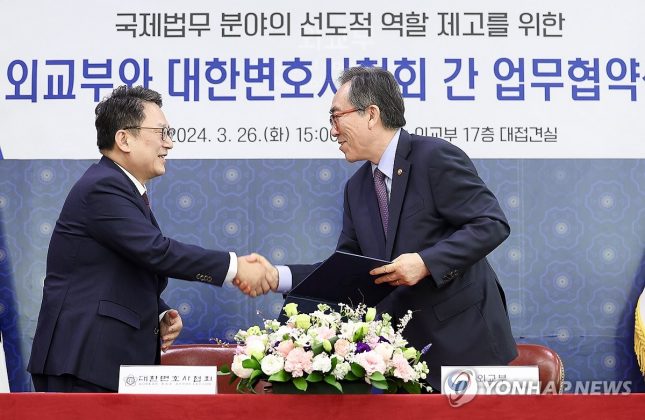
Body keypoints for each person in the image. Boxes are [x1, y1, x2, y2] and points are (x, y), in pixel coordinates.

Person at [243, 66, 517, 391]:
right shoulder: (357, 188)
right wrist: (278, 276)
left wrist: (426, 262)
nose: (332, 131)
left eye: (336, 117)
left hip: (465, 343)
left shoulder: (434, 157)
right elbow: (347, 270)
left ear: (371, 114)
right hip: (402, 359)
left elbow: (490, 223)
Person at [27, 86, 277, 392]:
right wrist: (235, 267)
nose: (169, 143)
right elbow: (155, 251)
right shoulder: (103, 187)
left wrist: (157, 310)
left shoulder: (119, 187)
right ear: (124, 139)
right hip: (82, 361)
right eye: (161, 133)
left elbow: (119, 267)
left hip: (101, 362)